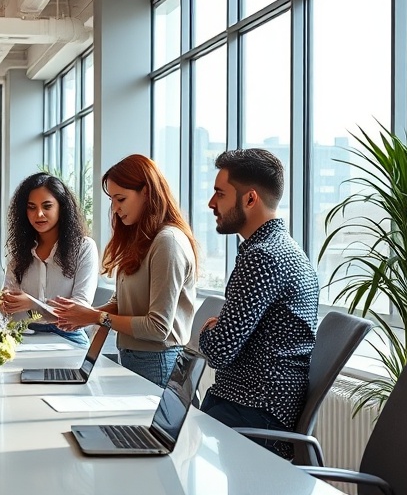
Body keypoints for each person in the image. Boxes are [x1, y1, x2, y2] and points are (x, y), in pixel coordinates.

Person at [198, 148, 318, 459]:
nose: (212, 204)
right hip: (257, 409)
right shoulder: (286, 250)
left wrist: (208, 330)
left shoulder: (262, 257)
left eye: (219, 194)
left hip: (251, 413)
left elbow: (220, 351)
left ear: (250, 199)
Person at [51, 154, 198, 387]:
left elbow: (158, 328)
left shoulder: (168, 242)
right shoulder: (141, 240)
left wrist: (94, 316)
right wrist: (82, 315)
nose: (115, 208)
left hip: (159, 361)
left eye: (120, 199)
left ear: (147, 192)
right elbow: (122, 302)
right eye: (112, 200)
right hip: (134, 356)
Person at [0, 173, 98, 347]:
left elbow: (80, 308)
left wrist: (33, 304)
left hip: (69, 337)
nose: (38, 214)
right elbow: (10, 304)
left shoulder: (84, 247)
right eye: (31, 207)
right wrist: (1, 302)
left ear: (62, 207)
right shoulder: (20, 252)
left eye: (47, 206)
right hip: (24, 336)